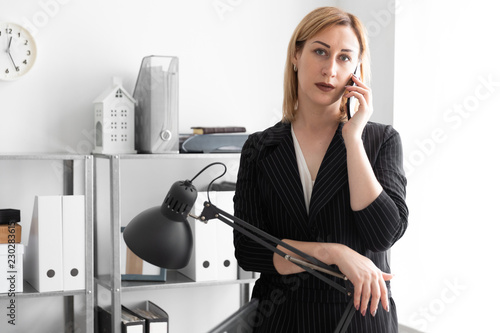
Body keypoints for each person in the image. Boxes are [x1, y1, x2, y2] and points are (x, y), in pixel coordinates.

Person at [233, 6, 409, 333]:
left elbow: (383, 234)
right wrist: (332, 252)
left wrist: (353, 138)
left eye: (344, 58)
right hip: (281, 319)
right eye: (320, 52)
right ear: (296, 55)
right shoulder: (259, 148)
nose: (330, 69)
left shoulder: (380, 140)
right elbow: (250, 251)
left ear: (356, 69)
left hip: (360, 318)